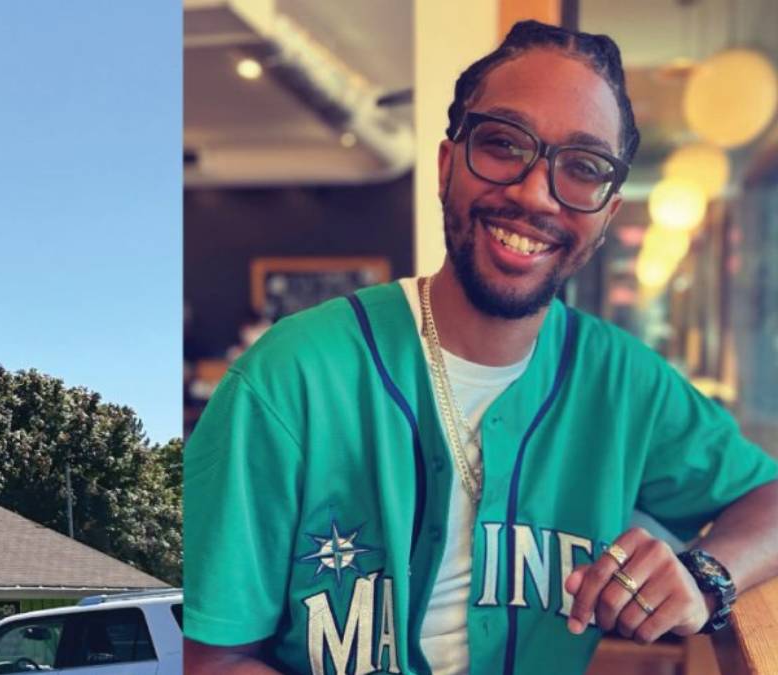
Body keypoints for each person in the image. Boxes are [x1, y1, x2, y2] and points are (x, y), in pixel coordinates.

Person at [182, 20, 778, 675]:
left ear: (607, 215)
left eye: (583, 167)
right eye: (502, 144)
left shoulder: (622, 382)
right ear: (447, 165)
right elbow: (212, 659)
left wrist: (707, 577)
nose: (534, 192)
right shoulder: (288, 379)